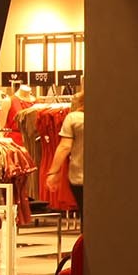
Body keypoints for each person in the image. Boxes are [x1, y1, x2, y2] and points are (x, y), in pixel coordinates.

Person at [50, 87, 86, 215]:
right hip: (107, 176)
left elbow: (65, 146)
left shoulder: (74, 118)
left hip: (80, 176)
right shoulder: (109, 117)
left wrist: (53, 172)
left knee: (86, 215)